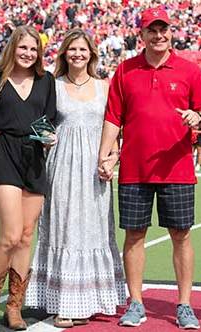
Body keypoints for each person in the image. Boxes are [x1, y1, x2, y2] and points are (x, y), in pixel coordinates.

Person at [98, 7, 201, 330]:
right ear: (143, 34)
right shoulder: (125, 70)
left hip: (176, 168)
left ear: (171, 33)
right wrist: (104, 155)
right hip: (134, 169)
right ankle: (135, 302)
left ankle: (185, 305)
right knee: (134, 235)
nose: (159, 35)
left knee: (181, 235)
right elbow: (112, 118)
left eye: (164, 29)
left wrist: (198, 119)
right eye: (152, 29)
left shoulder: (189, 71)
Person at [25, 28, 126, 328]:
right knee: (63, 228)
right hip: (61, 167)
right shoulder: (51, 87)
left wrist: (112, 157)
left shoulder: (105, 87)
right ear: (64, 54)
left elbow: (115, 127)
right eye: (72, 50)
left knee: (93, 230)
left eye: (83, 50)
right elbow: (37, 122)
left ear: (91, 54)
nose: (77, 54)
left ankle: (89, 300)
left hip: (95, 170)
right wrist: (44, 138)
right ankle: (61, 303)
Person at [0, 25, 57, 331]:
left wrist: (48, 137)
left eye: (34, 50)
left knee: (26, 235)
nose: (28, 54)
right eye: (23, 48)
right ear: (12, 49)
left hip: (34, 158)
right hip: (2, 152)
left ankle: (14, 306)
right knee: (10, 235)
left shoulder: (46, 81)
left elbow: (49, 119)